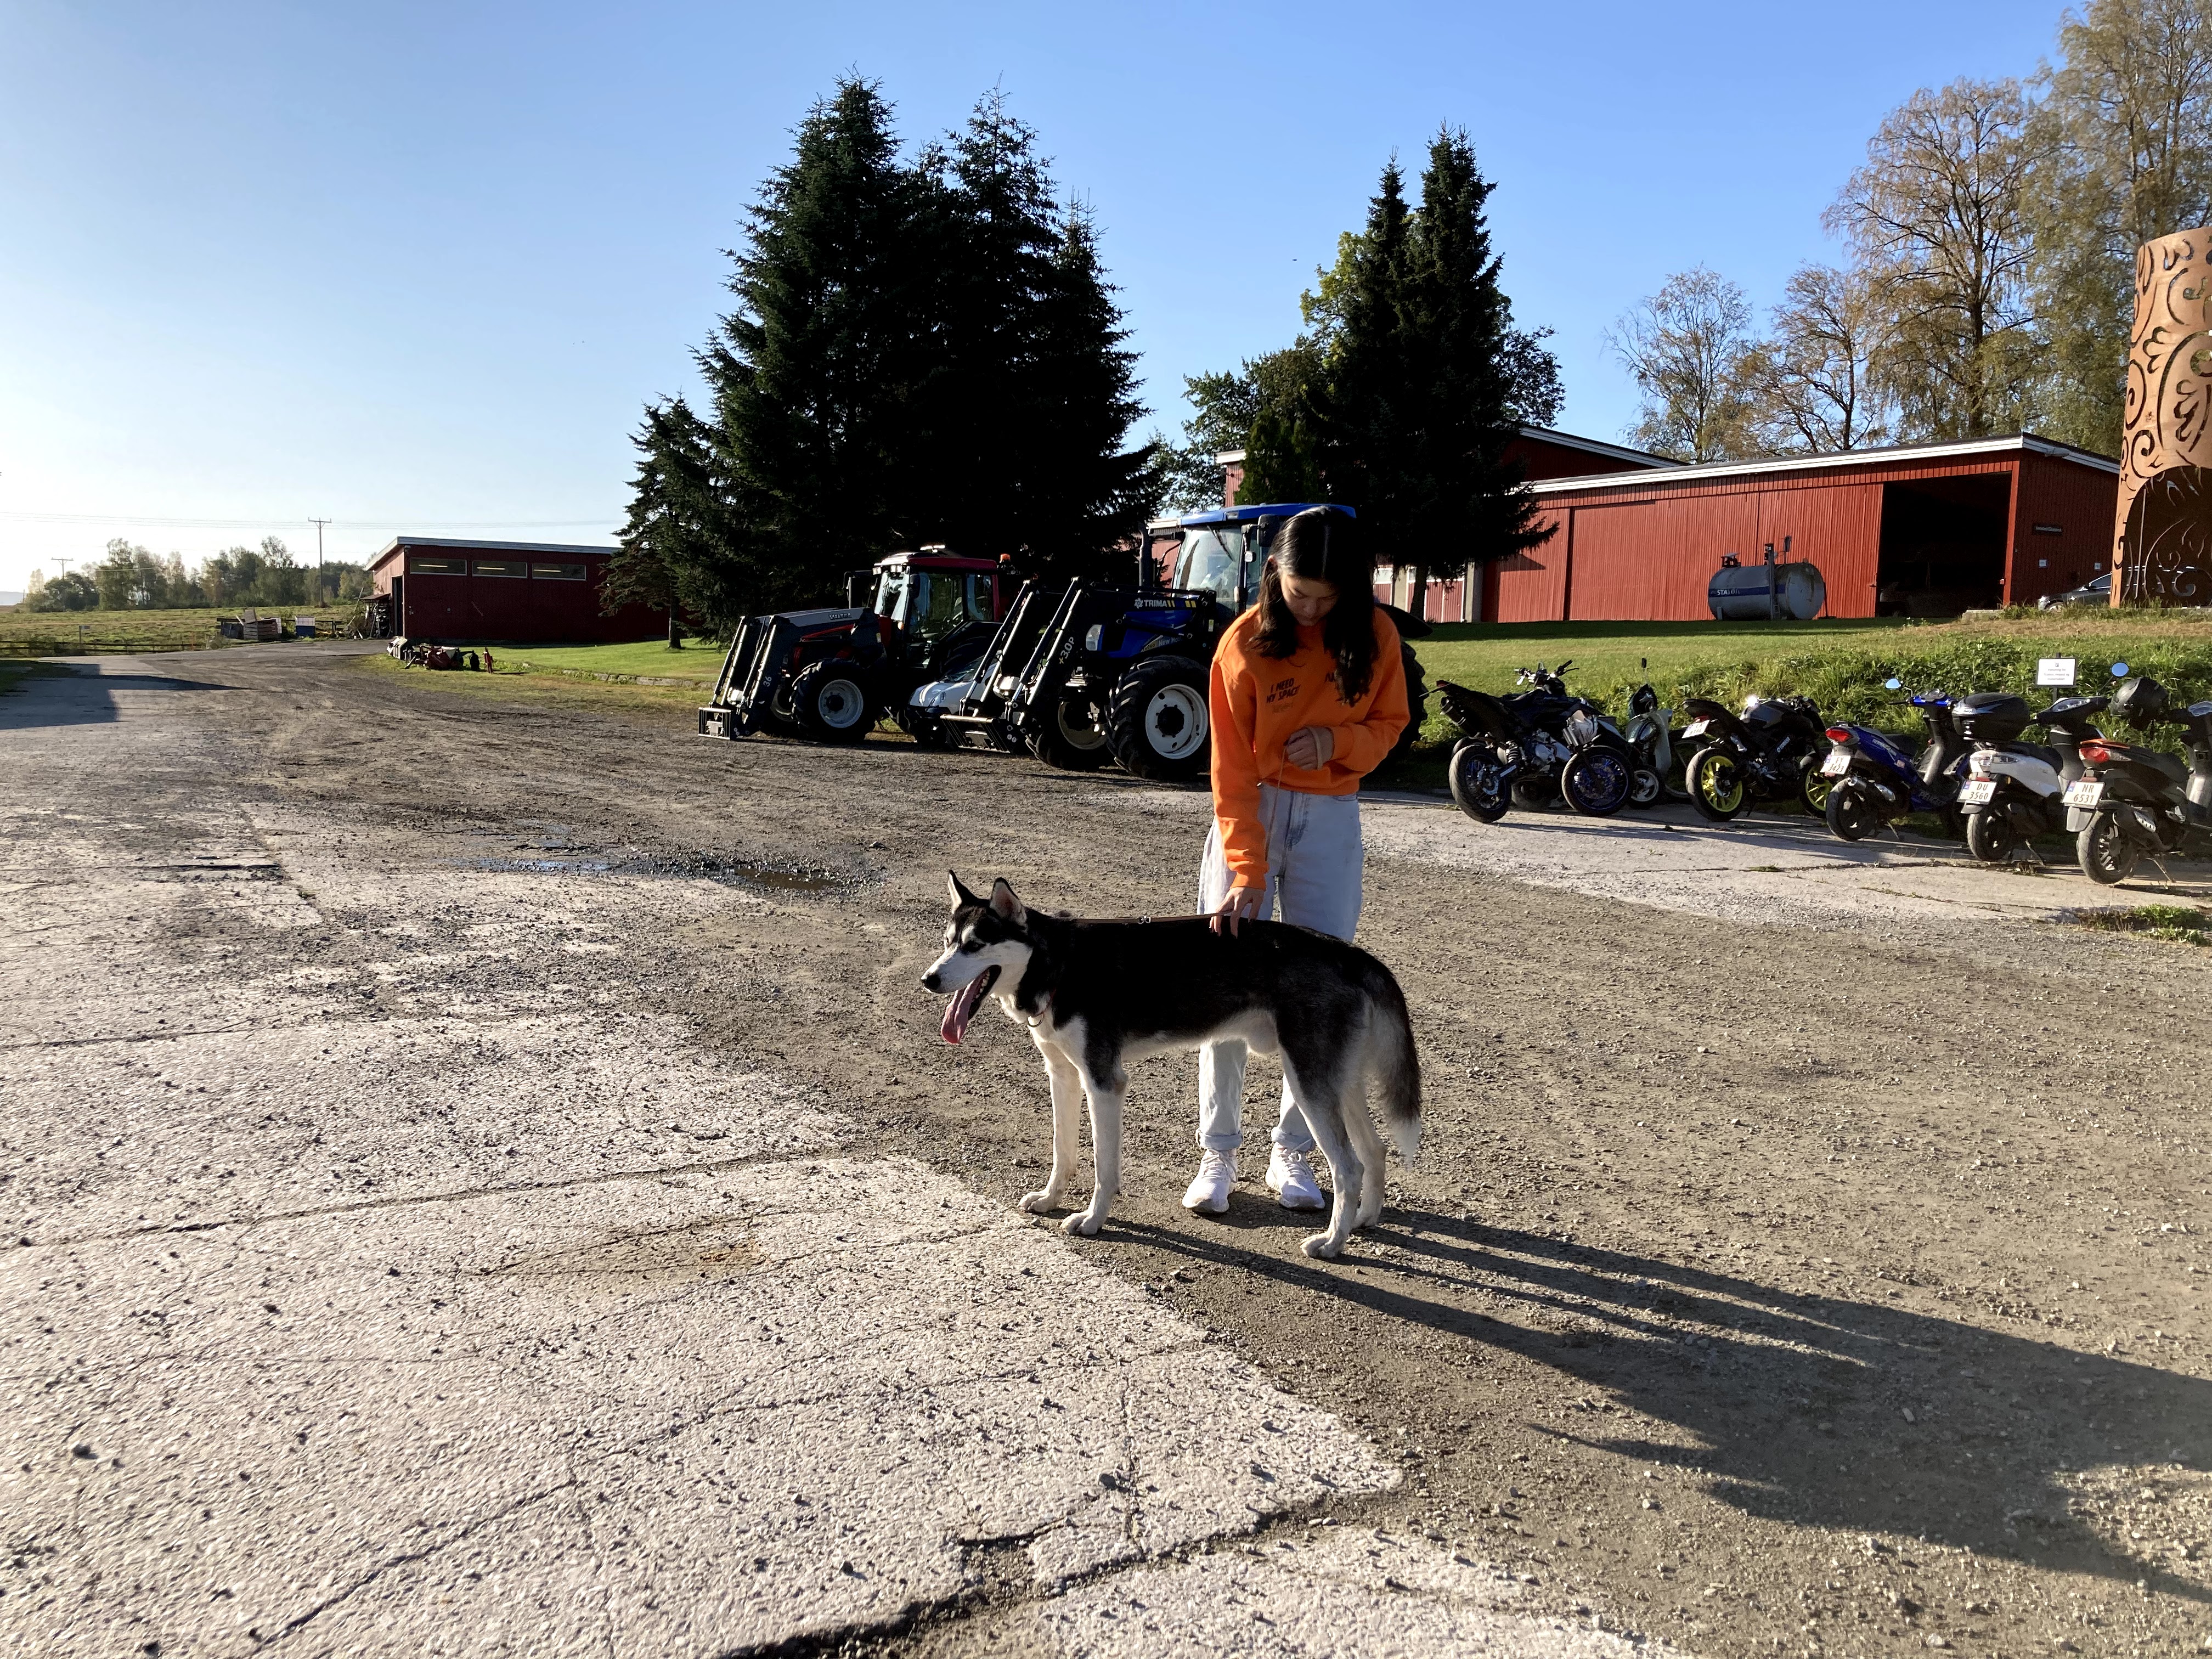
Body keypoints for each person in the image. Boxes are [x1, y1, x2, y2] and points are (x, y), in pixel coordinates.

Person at [1182, 506, 1410, 1215]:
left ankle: (1294, 1151)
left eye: (1326, 597)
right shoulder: (1242, 644)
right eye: (1299, 592)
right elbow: (1229, 769)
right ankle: (1218, 1153)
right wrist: (1246, 868)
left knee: (1319, 992)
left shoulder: (1376, 635)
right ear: (1273, 571)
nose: (1310, 609)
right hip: (1251, 811)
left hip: (1331, 816)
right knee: (1220, 983)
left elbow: (1391, 725)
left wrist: (1337, 743)